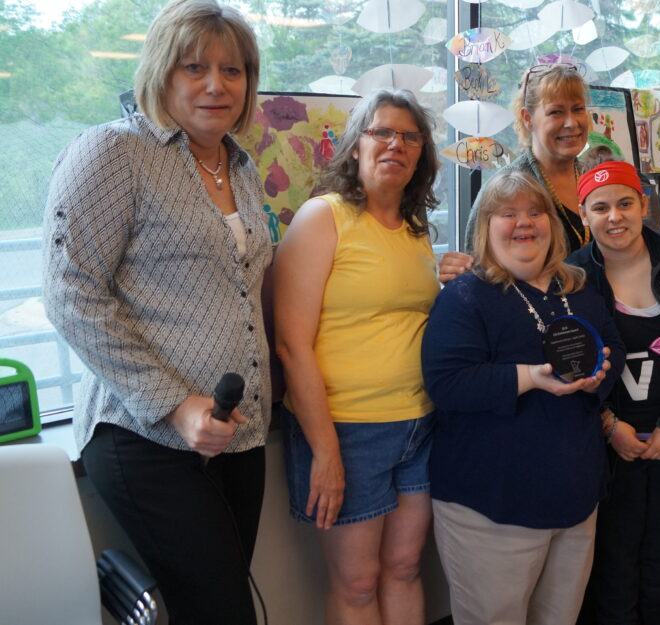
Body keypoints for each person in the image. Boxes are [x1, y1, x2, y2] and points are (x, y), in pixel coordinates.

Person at [42, 1, 269, 622]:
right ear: (160, 73)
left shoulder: (240, 166)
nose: (216, 85)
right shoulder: (113, 154)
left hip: (238, 432)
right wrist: (176, 402)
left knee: (219, 606)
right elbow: (70, 292)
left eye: (233, 70)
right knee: (222, 613)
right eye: (194, 67)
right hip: (142, 435)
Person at [422, 170, 625, 625]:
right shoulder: (465, 296)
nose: (524, 223)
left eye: (535, 212)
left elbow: (613, 350)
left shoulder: (578, 289)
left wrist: (600, 377)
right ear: (484, 226)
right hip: (492, 507)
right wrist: (530, 377)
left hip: (575, 501)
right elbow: (448, 384)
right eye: (507, 213)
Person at [273, 89, 440, 625]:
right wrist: (325, 451)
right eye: (381, 132)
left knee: (406, 567)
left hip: (418, 425)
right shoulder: (324, 218)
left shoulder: (416, 231)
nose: (396, 144)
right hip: (347, 429)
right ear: (355, 146)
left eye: (409, 136)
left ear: (421, 153)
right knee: (358, 583)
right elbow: (291, 344)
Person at [567, 159, 660, 625]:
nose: (615, 217)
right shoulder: (574, 274)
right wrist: (610, 427)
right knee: (614, 559)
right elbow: (574, 366)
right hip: (613, 439)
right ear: (584, 214)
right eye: (601, 207)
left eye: (626, 203)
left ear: (644, 205)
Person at [439, 64, 592, 283]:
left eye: (578, 109)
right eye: (556, 112)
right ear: (528, 118)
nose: (571, 123)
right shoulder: (504, 188)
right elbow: (477, 272)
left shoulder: (594, 178)